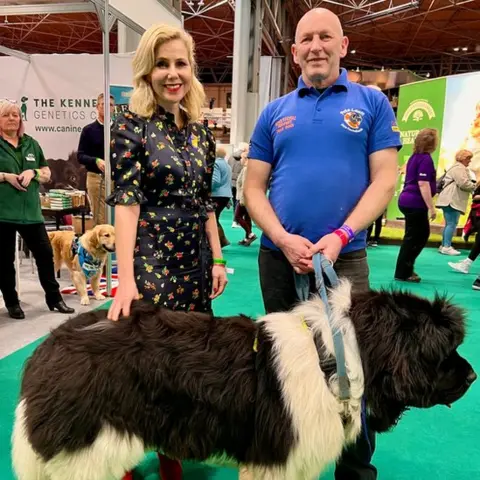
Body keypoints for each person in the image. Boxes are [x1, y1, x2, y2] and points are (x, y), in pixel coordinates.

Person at [244, 8, 401, 480]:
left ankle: (353, 470)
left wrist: (339, 235)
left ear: (343, 45)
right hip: (279, 259)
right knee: (281, 368)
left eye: (324, 37)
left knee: (356, 370)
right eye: (306, 39)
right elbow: (253, 188)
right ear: (294, 52)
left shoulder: (372, 104)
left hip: (345, 259)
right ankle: (286, 459)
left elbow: (384, 180)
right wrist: (281, 237)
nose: (315, 45)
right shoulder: (274, 112)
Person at [104, 23, 228, 480]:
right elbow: (127, 208)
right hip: (152, 261)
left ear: (191, 70)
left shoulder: (200, 132)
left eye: (180, 63)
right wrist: (126, 279)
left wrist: (217, 257)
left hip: (194, 262)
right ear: (146, 71)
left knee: (187, 364)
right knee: (144, 367)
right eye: (162, 64)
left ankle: (171, 448)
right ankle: (125, 456)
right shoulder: (130, 127)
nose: (172, 74)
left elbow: (205, 205)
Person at [0, 100, 74, 319]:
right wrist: (5, 177)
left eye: (15, 115)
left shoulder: (31, 143)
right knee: (4, 262)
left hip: (31, 213)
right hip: (3, 213)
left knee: (44, 254)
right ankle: (12, 303)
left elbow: (47, 173)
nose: (12, 118)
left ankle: (55, 299)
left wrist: (33, 172)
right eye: (6, 115)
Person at [394, 128, 438, 282]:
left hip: (406, 200)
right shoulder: (425, 159)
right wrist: (431, 208)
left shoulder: (414, 157)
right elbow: (423, 184)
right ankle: (404, 271)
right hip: (415, 203)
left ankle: (405, 269)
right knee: (417, 237)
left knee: (413, 236)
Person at [77, 93, 115, 225]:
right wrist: (96, 161)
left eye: (110, 105)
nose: (107, 108)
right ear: (97, 107)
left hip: (117, 179)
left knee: (119, 217)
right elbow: (80, 156)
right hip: (96, 178)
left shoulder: (119, 130)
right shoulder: (88, 130)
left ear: (114, 108)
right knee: (101, 219)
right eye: (103, 104)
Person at [436, 149, 476, 255]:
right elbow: (463, 183)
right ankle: (446, 246)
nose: (469, 161)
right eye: (468, 158)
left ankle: (444, 245)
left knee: (449, 223)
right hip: (452, 199)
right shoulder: (459, 168)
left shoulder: (455, 167)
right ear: (463, 158)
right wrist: (475, 186)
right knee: (452, 224)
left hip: (448, 199)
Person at [235, 148, 257, 246]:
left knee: (238, 216)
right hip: (250, 197)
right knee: (247, 218)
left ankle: (250, 234)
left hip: (244, 198)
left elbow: (244, 185)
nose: (240, 160)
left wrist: (242, 200)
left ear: (245, 158)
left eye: (241, 158)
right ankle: (247, 237)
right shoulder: (251, 168)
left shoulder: (246, 169)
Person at [211, 146, 232, 247]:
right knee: (216, 218)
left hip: (217, 194)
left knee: (213, 219)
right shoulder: (227, 165)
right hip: (226, 195)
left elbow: (215, 181)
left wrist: (207, 189)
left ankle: (221, 241)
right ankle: (222, 240)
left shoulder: (216, 164)